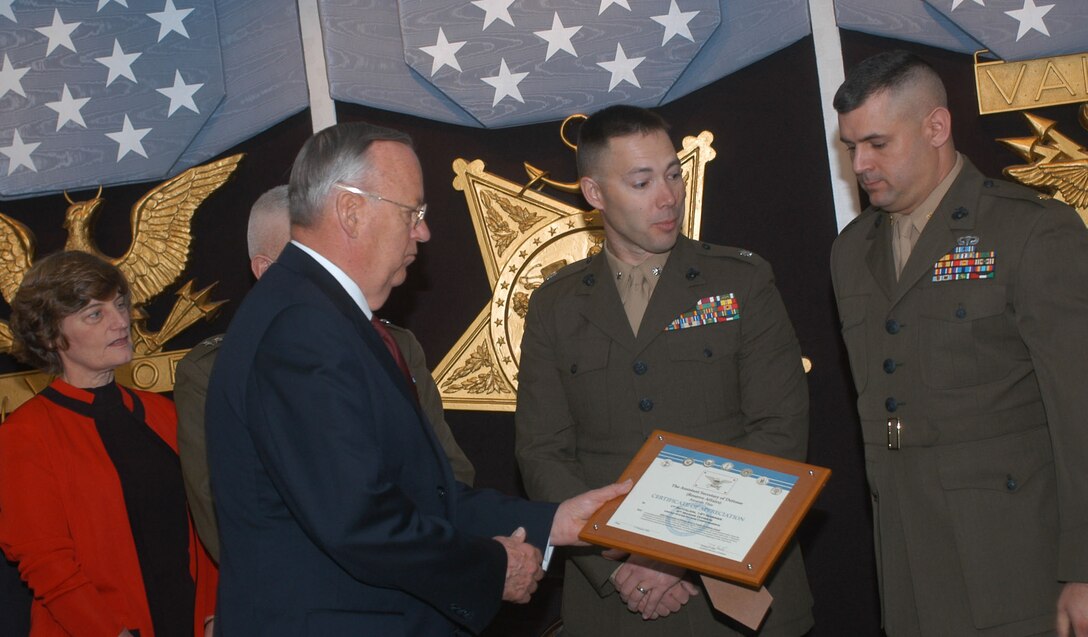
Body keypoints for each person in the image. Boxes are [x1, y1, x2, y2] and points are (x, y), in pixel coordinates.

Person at [204, 121, 630, 635]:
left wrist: (555, 523)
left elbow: (421, 495)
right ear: (351, 210)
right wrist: (494, 568)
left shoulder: (321, 314)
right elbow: (360, 522)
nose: (423, 232)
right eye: (413, 212)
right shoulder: (303, 326)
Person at [515, 105, 813, 636]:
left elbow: (779, 432)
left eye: (673, 173)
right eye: (642, 181)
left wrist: (674, 557)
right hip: (612, 600)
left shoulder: (741, 280)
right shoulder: (555, 306)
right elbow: (543, 453)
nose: (668, 196)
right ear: (595, 194)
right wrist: (620, 561)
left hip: (740, 596)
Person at [831, 50, 1088, 636]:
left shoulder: (1027, 229)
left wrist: (1085, 569)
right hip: (907, 561)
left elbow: (1081, 410)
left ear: (936, 127)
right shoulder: (850, 253)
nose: (861, 164)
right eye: (850, 148)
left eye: (877, 143)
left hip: (1014, 561)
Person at [175, 186, 475, 563]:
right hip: (305, 601)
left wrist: (436, 554)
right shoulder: (213, 372)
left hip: (420, 572)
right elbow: (223, 517)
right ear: (266, 271)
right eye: (308, 260)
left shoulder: (393, 345)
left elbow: (448, 472)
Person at [0, 251, 217, 637]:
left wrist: (216, 611)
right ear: (51, 336)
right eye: (95, 314)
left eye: (119, 305)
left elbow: (207, 521)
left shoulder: (163, 413)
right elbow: (46, 564)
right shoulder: (25, 434)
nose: (121, 322)